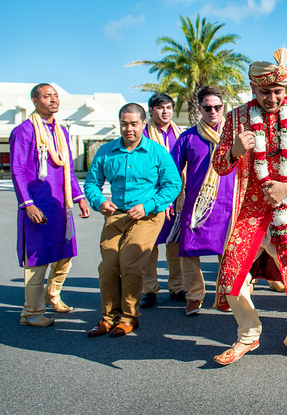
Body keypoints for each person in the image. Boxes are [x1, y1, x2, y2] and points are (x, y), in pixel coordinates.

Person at [211, 48, 287, 364]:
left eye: (277, 91)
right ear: (252, 88)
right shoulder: (235, 118)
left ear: (285, 90)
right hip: (249, 211)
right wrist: (233, 150)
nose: (272, 98)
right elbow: (220, 165)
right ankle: (248, 335)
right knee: (232, 276)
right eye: (265, 92)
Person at [83, 103, 182, 337]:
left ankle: (129, 317)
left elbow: (173, 184)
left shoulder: (157, 152)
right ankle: (108, 317)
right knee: (108, 266)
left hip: (146, 217)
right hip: (115, 216)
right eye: (124, 124)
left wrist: (147, 205)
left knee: (130, 265)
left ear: (143, 124)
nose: (129, 129)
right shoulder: (106, 151)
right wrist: (99, 202)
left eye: (134, 124)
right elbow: (91, 183)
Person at [11, 83, 91, 327]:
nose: (54, 100)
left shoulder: (61, 132)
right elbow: (17, 170)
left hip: (60, 205)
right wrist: (28, 204)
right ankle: (31, 313)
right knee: (38, 260)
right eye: (47, 96)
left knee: (65, 256)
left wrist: (79, 197)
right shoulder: (24, 131)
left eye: (55, 96)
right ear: (35, 101)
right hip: (38, 206)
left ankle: (53, 295)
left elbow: (67, 170)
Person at [169, 86, 232, 316]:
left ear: (223, 107)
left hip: (228, 204)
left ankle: (226, 294)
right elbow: (172, 172)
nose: (213, 111)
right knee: (189, 251)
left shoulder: (235, 134)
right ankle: (194, 296)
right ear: (199, 108)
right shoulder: (188, 137)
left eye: (217, 107)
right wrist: (168, 201)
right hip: (196, 205)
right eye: (207, 107)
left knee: (227, 252)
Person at [141, 93, 184, 308]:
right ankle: (149, 289)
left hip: (177, 198)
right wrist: (161, 200)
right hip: (151, 198)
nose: (165, 111)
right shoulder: (142, 134)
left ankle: (177, 287)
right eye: (160, 108)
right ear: (150, 111)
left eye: (168, 107)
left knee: (175, 243)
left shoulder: (180, 134)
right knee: (149, 245)